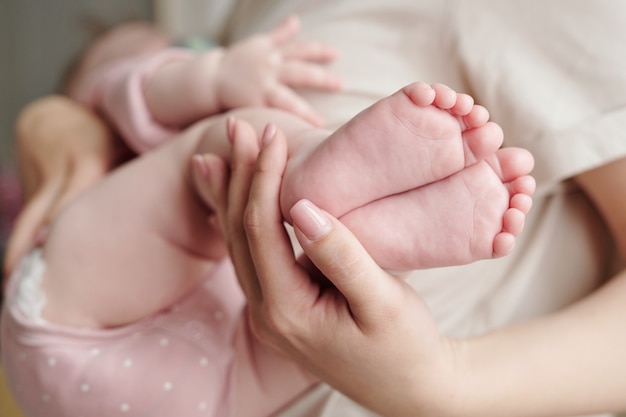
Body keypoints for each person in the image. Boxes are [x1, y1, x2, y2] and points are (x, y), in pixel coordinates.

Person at [6, 1, 626, 417]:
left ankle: (356, 230)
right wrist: (71, 112)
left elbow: (124, 83)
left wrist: (443, 381)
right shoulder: (188, 38)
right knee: (217, 157)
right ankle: (318, 187)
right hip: (107, 337)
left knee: (303, 302)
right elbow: (115, 84)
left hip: (208, 382)